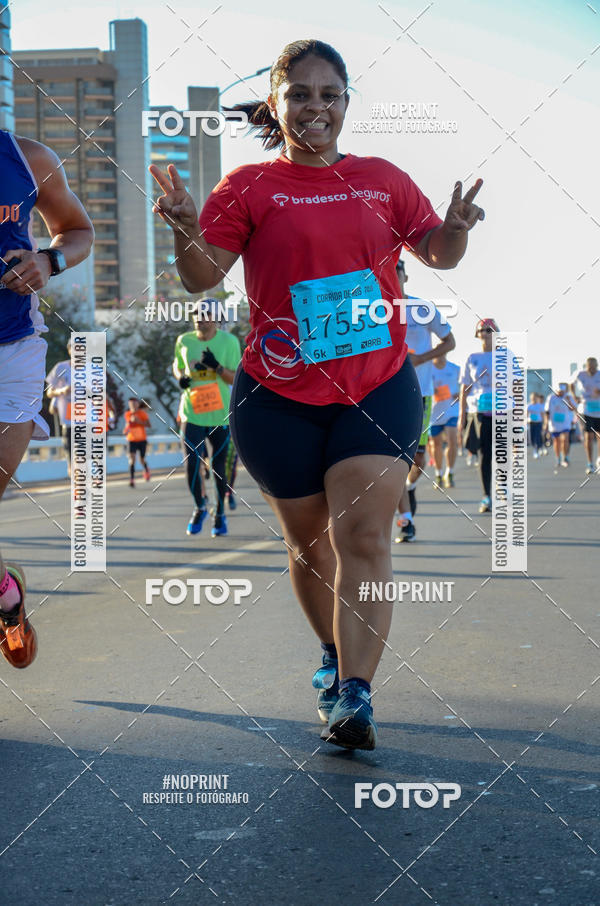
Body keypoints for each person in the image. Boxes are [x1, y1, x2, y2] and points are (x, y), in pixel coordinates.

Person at [150, 39, 484, 749]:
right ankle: (334, 658)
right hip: (278, 396)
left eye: (329, 94)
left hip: (377, 386)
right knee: (309, 549)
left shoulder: (383, 180)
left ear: (345, 104)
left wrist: (453, 232)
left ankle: (357, 696)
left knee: (363, 536)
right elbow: (203, 276)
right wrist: (184, 229)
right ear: (277, 102)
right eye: (300, 93)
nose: (315, 107)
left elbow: (437, 251)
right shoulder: (247, 188)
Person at [0, 129, 93, 668]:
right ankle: (7, 596)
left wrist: (48, 262)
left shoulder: (28, 158)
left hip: (10, 352)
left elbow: (78, 231)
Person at [394, 260, 456, 542]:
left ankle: (406, 488)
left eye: (398, 270)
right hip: (386, 394)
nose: (394, 275)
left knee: (418, 458)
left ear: (406, 275)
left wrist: (420, 358)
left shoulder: (423, 308)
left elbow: (449, 342)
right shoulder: (371, 311)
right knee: (393, 459)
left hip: (422, 392)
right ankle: (405, 520)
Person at [173, 299, 242, 536]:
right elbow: (178, 365)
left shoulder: (229, 342)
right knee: (192, 465)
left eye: (204, 314)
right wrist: (180, 377)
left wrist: (217, 367)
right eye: (195, 314)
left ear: (216, 317)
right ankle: (200, 507)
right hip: (192, 412)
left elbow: (235, 378)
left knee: (218, 467)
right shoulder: (184, 340)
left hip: (220, 415)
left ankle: (220, 514)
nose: (199, 318)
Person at [459, 318, 498, 513]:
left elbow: (516, 386)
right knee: (484, 454)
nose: (485, 333)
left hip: (502, 411)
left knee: (500, 453)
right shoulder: (472, 357)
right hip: (479, 412)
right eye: (482, 330)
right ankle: (486, 496)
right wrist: (461, 416)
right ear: (477, 335)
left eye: (489, 330)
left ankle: (503, 486)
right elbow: (464, 388)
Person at [430, 352, 460, 487]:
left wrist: (462, 393)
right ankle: (438, 473)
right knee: (436, 445)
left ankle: (450, 472)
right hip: (434, 413)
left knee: (452, 440)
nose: (440, 355)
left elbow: (468, 383)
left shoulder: (455, 368)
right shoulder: (428, 369)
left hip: (452, 410)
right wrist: (432, 391)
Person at [45, 338, 73, 477]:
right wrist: (62, 391)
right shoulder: (60, 368)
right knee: (71, 452)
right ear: (69, 350)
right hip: (67, 415)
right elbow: (49, 392)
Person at [570, 357, 600, 474]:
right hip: (587, 410)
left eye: (593, 367)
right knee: (589, 436)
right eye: (589, 367)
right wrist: (574, 396)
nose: (591, 369)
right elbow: (571, 384)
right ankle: (590, 463)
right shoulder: (580, 374)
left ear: (596, 366)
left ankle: (599, 460)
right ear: (586, 366)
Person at [544, 383, 576, 469]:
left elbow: (573, 408)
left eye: (562, 392)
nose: (560, 393)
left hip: (565, 422)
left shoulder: (568, 396)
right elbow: (547, 411)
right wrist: (546, 424)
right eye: (559, 392)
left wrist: (568, 401)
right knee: (556, 442)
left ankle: (564, 457)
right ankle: (558, 458)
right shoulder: (550, 398)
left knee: (565, 439)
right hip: (554, 424)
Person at [124, 397, 151, 487]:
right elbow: (127, 426)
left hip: (142, 439)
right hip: (131, 440)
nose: (133, 406)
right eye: (131, 404)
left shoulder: (142, 414)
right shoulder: (127, 414)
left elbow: (148, 425)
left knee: (141, 459)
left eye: (134, 404)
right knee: (132, 460)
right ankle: (132, 479)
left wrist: (139, 421)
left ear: (138, 404)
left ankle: (146, 470)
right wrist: (126, 429)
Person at [527, 391, 544, 459]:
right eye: (532, 398)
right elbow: (526, 415)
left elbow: (543, 415)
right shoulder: (529, 406)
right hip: (531, 423)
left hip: (538, 423)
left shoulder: (539, 406)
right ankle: (535, 448)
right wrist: (526, 421)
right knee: (532, 438)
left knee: (538, 436)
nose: (533, 399)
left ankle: (536, 450)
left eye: (534, 398)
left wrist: (544, 423)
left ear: (537, 398)